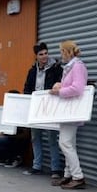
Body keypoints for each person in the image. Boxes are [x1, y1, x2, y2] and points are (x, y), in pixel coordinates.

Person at [22, 42, 65, 179]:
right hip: (36, 107)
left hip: (50, 106)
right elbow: (27, 88)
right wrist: (29, 98)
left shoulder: (57, 68)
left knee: (52, 137)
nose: (44, 56)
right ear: (36, 56)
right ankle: (37, 166)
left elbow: (61, 85)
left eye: (46, 53)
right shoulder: (32, 71)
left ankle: (56, 169)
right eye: (41, 54)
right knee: (35, 137)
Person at [50, 40, 88, 189]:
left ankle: (78, 177)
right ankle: (68, 175)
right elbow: (70, 86)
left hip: (73, 111)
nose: (61, 55)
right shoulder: (71, 67)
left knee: (64, 143)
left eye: (61, 52)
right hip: (68, 111)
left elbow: (78, 89)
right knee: (69, 143)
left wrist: (59, 91)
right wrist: (59, 86)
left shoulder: (77, 66)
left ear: (67, 52)